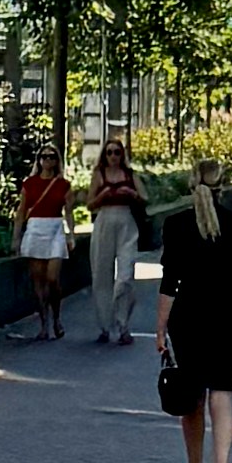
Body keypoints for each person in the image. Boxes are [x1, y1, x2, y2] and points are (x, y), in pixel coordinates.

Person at [154, 148, 232, 463]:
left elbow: (170, 282)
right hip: (229, 320)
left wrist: (160, 328)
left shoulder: (176, 225)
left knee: (191, 396)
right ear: (223, 187)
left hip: (188, 320)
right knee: (222, 395)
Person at [83, 132, 146, 347]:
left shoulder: (130, 174)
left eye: (117, 152)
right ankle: (104, 325)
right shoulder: (98, 174)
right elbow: (89, 204)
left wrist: (132, 193)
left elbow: (144, 198)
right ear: (104, 155)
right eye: (109, 152)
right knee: (102, 274)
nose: (113, 156)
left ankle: (123, 324)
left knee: (125, 275)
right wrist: (102, 196)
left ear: (122, 155)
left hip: (126, 220)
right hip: (104, 221)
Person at [13, 142, 77, 341]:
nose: (48, 160)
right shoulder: (29, 184)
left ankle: (57, 317)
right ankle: (44, 323)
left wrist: (71, 234)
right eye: (44, 157)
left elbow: (69, 212)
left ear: (57, 161)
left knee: (52, 279)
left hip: (55, 229)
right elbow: (21, 211)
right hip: (35, 229)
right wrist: (16, 237)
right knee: (38, 280)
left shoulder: (63, 185)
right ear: (39, 160)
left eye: (52, 157)